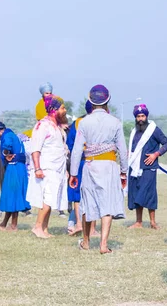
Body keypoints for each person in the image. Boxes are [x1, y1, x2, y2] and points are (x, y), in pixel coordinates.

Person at [70, 85, 128, 253]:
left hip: (89, 164)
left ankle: (86, 242)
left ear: (90, 101)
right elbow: (122, 150)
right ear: (107, 100)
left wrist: (73, 173)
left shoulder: (84, 122)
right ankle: (103, 245)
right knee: (107, 204)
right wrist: (123, 171)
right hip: (109, 166)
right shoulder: (115, 122)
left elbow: (76, 150)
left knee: (87, 204)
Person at [28, 94, 69, 238]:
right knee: (48, 199)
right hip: (47, 168)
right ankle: (37, 227)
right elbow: (35, 149)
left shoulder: (56, 126)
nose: (65, 110)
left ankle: (45, 228)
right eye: (62, 108)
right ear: (54, 109)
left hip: (58, 168)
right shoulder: (42, 125)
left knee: (52, 200)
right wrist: (37, 168)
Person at [127, 104, 167, 230]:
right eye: (138, 116)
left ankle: (152, 222)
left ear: (146, 116)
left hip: (148, 167)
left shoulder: (154, 130)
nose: (140, 118)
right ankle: (138, 222)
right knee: (136, 194)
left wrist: (156, 154)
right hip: (134, 168)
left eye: (143, 116)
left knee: (149, 194)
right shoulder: (134, 131)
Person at [66, 100, 98, 236]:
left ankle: (79, 224)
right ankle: (92, 229)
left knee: (77, 195)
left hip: (79, 161)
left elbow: (70, 144)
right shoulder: (100, 123)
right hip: (94, 161)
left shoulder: (77, 123)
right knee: (94, 194)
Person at [0, 121, 31, 231]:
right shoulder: (12, 134)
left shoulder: (7, 136)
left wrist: (6, 154)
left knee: (13, 196)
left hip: (14, 167)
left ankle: (14, 225)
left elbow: (7, 146)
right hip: (19, 168)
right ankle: (3, 224)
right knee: (12, 196)